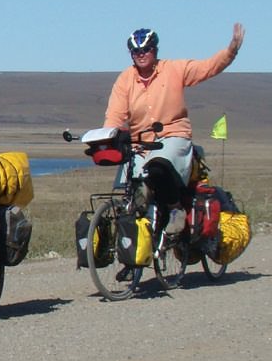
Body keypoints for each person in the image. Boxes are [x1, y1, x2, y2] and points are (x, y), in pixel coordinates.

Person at [103, 23, 245, 235]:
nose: (141, 54)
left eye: (145, 50)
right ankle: (137, 242)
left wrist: (231, 50)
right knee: (131, 186)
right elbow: (115, 114)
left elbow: (207, 67)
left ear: (155, 50)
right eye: (136, 51)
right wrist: (107, 137)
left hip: (172, 135)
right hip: (140, 141)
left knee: (159, 167)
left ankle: (175, 209)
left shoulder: (173, 69)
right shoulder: (125, 79)